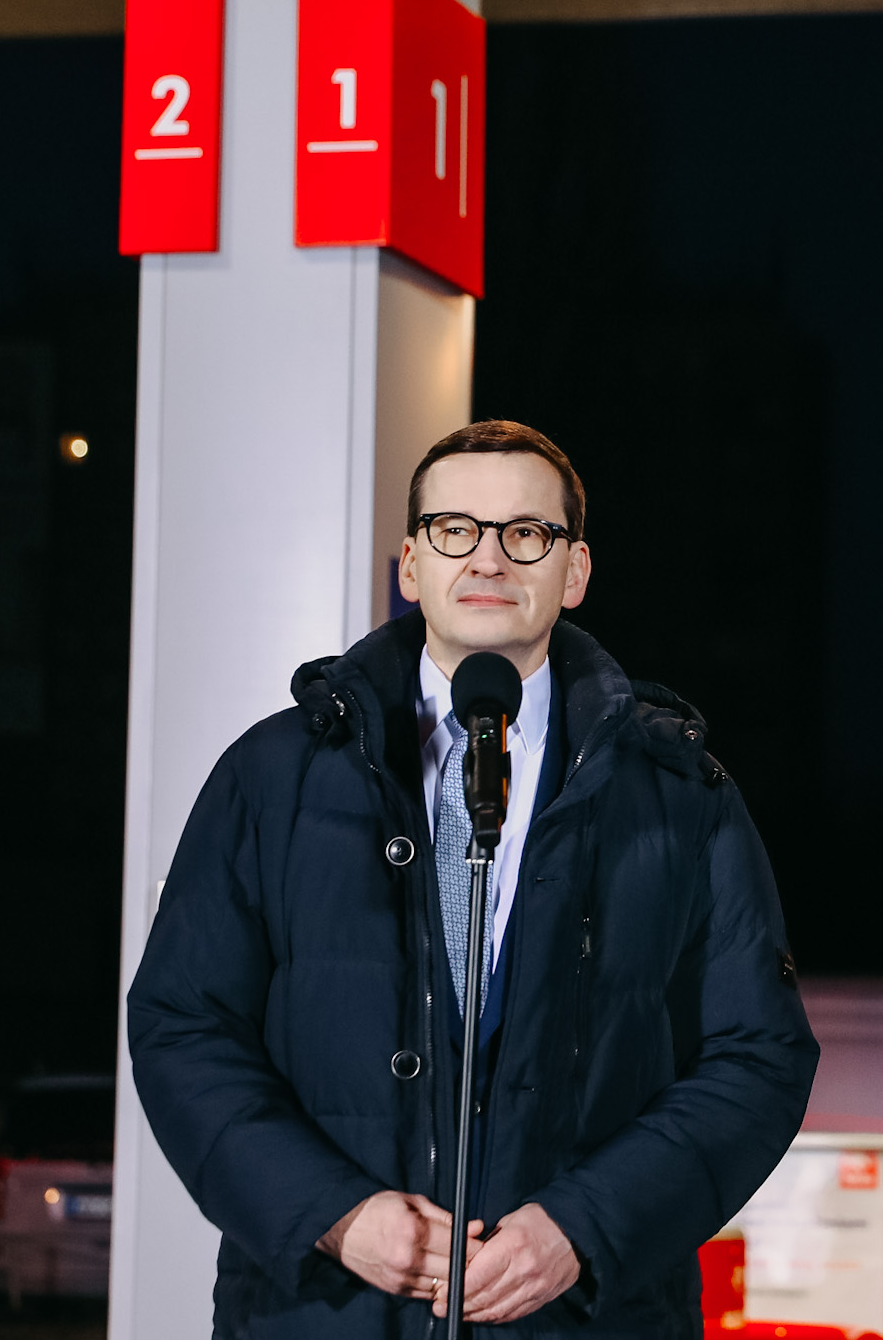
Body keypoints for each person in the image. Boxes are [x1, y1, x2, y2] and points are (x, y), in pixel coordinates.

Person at [128, 420, 819, 1337]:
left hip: (584, 1315)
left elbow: (758, 1055)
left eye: (525, 533)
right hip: (324, 1311)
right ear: (413, 564)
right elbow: (182, 1022)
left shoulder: (679, 795)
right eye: (455, 529)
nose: (488, 557)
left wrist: (584, 1227)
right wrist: (332, 1214)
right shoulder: (274, 774)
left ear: (574, 571)